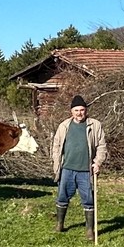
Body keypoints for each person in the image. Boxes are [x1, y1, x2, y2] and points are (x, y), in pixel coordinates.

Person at [52, 94, 107, 239]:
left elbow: (101, 146)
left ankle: (89, 230)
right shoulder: (64, 126)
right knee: (62, 197)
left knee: (88, 199)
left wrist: (98, 162)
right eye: (76, 110)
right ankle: (60, 224)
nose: (79, 113)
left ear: (86, 110)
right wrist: (57, 163)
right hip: (67, 169)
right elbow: (56, 145)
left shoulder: (95, 125)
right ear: (71, 111)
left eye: (82, 110)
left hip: (85, 170)